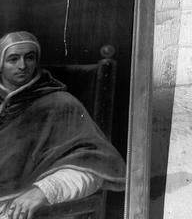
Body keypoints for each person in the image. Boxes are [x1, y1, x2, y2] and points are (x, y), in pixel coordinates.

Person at [0, 31, 126, 219]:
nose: (23, 66)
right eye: (13, 59)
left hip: (16, 209)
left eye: (30, 58)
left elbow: (92, 165)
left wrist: (41, 192)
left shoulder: (61, 104)